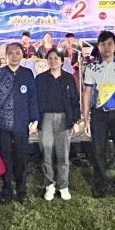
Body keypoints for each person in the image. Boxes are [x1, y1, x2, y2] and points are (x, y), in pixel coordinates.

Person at [82, 31, 115, 199]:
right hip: (98, 114)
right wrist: (86, 118)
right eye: (103, 44)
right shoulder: (92, 68)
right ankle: (100, 187)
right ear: (98, 47)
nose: (106, 47)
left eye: (109, 44)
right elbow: (87, 94)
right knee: (98, 151)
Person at [0, 41, 39, 203]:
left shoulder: (27, 73)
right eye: (11, 53)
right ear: (6, 56)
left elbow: (32, 98)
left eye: (18, 53)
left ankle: (21, 190)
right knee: (5, 158)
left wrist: (34, 119)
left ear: (23, 54)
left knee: (21, 158)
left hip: (21, 123)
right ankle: (7, 190)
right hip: (3, 124)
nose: (14, 56)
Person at [35, 48, 81, 201]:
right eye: (50, 58)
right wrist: (34, 120)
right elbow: (34, 101)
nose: (53, 61)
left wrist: (75, 120)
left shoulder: (68, 78)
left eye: (56, 58)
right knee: (46, 152)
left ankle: (63, 186)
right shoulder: (40, 79)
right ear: (47, 61)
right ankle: (49, 185)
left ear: (62, 61)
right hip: (45, 119)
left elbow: (75, 100)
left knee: (63, 154)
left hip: (63, 119)